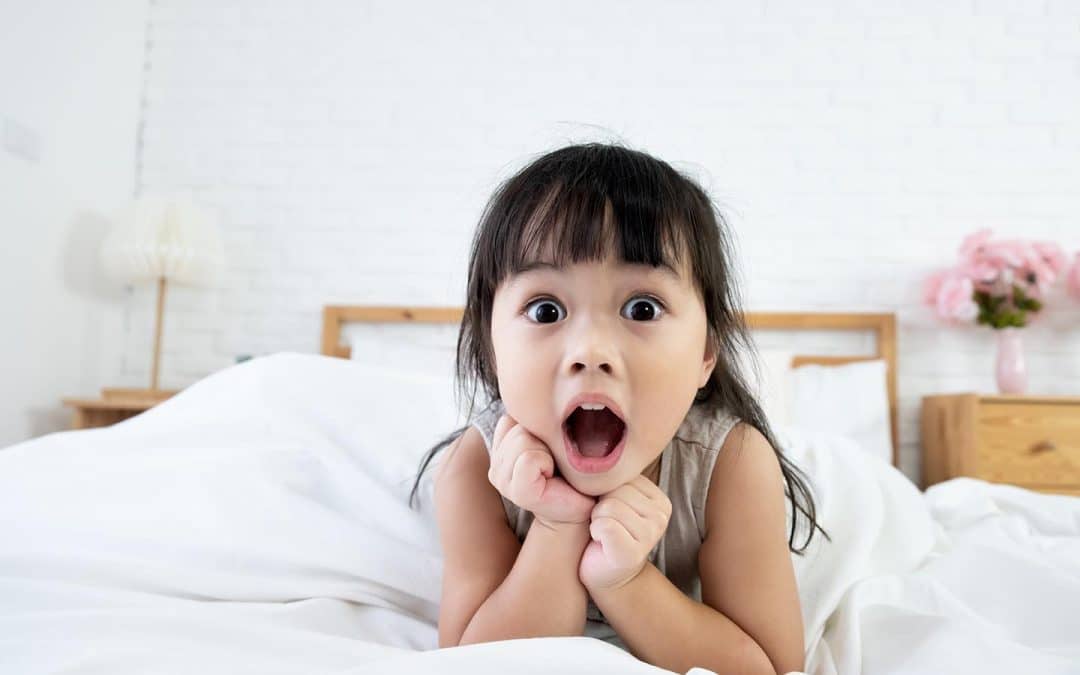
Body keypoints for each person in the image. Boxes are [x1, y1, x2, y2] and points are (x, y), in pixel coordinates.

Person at [409, 142, 826, 675]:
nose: (589, 353)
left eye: (642, 308)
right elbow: (473, 661)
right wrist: (559, 527)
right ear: (492, 351)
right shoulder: (473, 468)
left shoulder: (732, 463)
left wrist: (626, 580)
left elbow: (769, 665)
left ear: (704, 355)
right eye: (545, 309)